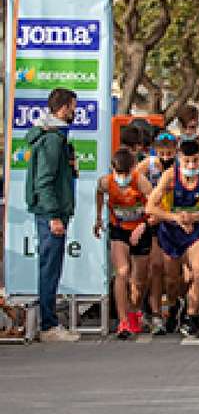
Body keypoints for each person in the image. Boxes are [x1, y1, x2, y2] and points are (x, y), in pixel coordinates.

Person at [146, 139, 199, 339]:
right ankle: (173, 304)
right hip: (170, 232)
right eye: (187, 161)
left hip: (194, 232)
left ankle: (192, 316)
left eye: (195, 161)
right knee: (172, 280)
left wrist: (194, 217)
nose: (191, 166)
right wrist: (176, 218)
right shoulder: (169, 177)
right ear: (180, 159)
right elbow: (150, 207)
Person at [25, 87, 81, 342]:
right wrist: (53, 216)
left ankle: (48, 322)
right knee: (49, 268)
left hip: (53, 211)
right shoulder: (52, 140)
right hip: (51, 214)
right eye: (73, 107)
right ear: (65, 107)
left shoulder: (56, 137)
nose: (75, 112)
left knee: (51, 267)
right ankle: (48, 326)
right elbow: (44, 181)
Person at [94, 148, 154, 339]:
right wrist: (98, 217)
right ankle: (123, 321)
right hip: (119, 228)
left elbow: (156, 209)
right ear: (112, 169)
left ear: (133, 169)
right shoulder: (106, 182)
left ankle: (135, 310)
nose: (122, 178)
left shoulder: (141, 182)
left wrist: (143, 225)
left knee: (139, 279)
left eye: (126, 173)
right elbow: (99, 193)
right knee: (122, 272)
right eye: (118, 173)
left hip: (140, 228)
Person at [135, 131, 178, 334]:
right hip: (151, 219)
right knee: (154, 267)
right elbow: (133, 181)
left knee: (169, 272)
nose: (166, 156)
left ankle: (171, 306)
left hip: (171, 220)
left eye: (170, 152)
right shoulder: (149, 164)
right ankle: (153, 313)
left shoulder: (181, 165)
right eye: (163, 152)